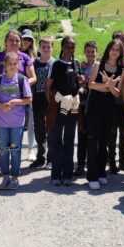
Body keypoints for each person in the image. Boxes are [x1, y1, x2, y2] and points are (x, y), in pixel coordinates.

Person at [0, 30, 37, 174]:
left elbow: (33, 77)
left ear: (20, 43)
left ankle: (14, 166)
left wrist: (20, 85)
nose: (14, 43)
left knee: (16, 134)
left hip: (20, 100)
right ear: (6, 42)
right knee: (1, 134)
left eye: (17, 40)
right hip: (0, 101)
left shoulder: (25, 57)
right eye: (11, 40)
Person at [0, 52, 32, 191]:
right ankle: (5, 177)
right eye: (10, 64)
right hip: (1, 121)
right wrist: (1, 105)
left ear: (18, 65)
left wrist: (14, 102)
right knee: (2, 150)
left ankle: (14, 178)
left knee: (15, 150)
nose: (12, 66)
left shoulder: (22, 79)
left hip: (17, 122)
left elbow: (28, 99)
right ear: (5, 65)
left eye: (15, 64)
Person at [85, 38, 124, 190]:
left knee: (104, 142)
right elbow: (91, 85)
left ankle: (101, 173)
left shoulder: (121, 70)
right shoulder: (98, 64)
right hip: (94, 107)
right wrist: (107, 85)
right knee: (93, 142)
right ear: (108, 49)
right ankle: (92, 176)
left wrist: (110, 87)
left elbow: (117, 93)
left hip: (108, 109)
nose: (114, 52)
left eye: (117, 50)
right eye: (113, 49)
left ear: (120, 53)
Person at [45, 36, 83, 186]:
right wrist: (53, 103)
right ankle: (56, 174)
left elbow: (79, 85)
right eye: (67, 46)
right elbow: (48, 86)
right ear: (62, 47)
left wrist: (80, 86)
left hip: (72, 108)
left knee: (69, 140)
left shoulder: (77, 64)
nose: (70, 49)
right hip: (59, 108)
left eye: (72, 47)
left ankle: (67, 175)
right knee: (56, 140)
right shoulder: (55, 64)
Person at [107, 31, 124, 172]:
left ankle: (122, 160)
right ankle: (112, 161)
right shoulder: (110, 58)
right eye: (121, 39)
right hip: (111, 102)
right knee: (111, 133)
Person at [29, 36, 54, 168]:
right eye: (43, 46)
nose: (46, 49)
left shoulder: (55, 63)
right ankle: (41, 157)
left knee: (51, 129)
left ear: (52, 48)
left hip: (51, 101)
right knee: (39, 130)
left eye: (48, 46)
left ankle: (51, 158)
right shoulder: (34, 64)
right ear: (39, 47)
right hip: (37, 100)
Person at [74, 40, 97, 177]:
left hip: (95, 104)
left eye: (92, 51)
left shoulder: (100, 66)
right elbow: (77, 82)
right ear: (84, 52)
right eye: (88, 51)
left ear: (96, 52)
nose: (90, 54)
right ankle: (80, 164)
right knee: (82, 134)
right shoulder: (81, 67)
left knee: (94, 135)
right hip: (82, 104)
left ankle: (92, 163)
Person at [20, 29, 38, 160]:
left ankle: (31, 149)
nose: (26, 41)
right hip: (17, 92)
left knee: (31, 122)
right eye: (24, 39)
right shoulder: (15, 53)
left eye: (29, 39)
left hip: (31, 92)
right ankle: (16, 149)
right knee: (18, 122)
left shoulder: (36, 55)